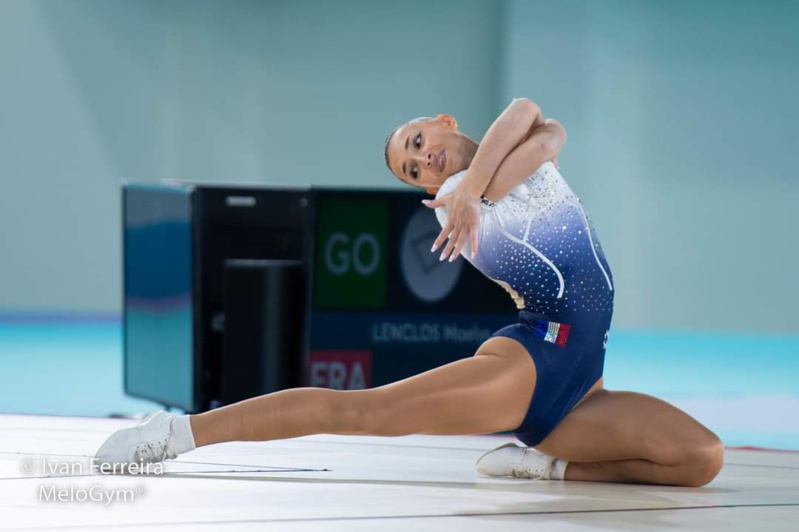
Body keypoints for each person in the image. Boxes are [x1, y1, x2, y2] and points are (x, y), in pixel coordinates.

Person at [96, 98, 724, 487]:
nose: (427, 162)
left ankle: (549, 466)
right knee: (362, 412)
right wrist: (476, 184)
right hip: (536, 359)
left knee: (701, 459)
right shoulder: (456, 204)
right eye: (413, 170)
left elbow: (538, 123)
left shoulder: (476, 181)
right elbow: (538, 130)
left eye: (419, 143)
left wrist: (500, 164)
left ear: (442, 121)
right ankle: (179, 434)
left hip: (585, 383)